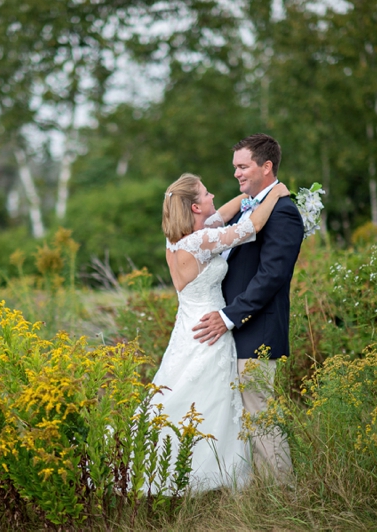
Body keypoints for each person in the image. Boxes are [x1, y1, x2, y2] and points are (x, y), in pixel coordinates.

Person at [149, 171, 289, 491]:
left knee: (184, 396)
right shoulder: (201, 240)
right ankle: (219, 476)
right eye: (207, 193)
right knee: (215, 404)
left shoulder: (177, 240)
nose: (213, 196)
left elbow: (224, 213)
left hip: (187, 328)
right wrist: (275, 193)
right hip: (210, 330)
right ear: (195, 208)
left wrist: (249, 194)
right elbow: (250, 227)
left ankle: (197, 471)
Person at [192, 133, 304, 480]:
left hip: (256, 328)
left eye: (243, 166)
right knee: (243, 415)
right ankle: (255, 491)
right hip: (234, 330)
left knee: (259, 413)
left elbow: (272, 276)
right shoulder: (247, 207)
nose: (237, 173)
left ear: (266, 167)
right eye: (235, 167)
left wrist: (228, 317)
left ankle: (283, 495)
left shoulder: (283, 212)